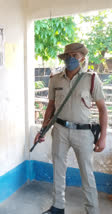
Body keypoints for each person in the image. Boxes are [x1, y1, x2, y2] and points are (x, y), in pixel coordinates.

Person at [33, 43, 108, 214]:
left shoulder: (91, 79)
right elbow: (50, 107)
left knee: (87, 174)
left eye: (75, 55)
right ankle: (58, 206)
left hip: (84, 133)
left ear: (82, 57)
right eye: (68, 55)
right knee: (58, 169)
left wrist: (102, 137)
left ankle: (92, 210)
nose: (71, 59)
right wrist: (42, 129)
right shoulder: (55, 79)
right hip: (60, 130)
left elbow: (103, 109)